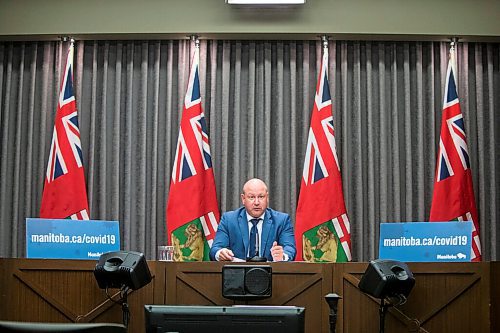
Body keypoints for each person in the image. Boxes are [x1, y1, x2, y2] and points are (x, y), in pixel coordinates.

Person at [209, 178, 296, 262]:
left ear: (267, 198)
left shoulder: (282, 220)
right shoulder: (229, 220)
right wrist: (220, 253)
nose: (257, 202)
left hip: (271, 274)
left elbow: (290, 249)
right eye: (251, 197)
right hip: (238, 274)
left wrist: (283, 256)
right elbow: (215, 250)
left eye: (261, 197)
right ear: (243, 199)